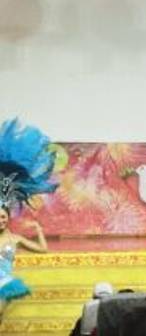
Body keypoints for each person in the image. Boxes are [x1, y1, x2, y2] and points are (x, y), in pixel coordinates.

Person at [0, 119, 57, 321]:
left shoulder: (15, 239)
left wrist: (38, 230)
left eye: (3, 217)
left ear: (8, 218)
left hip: (4, 284)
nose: (0, 220)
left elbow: (43, 249)